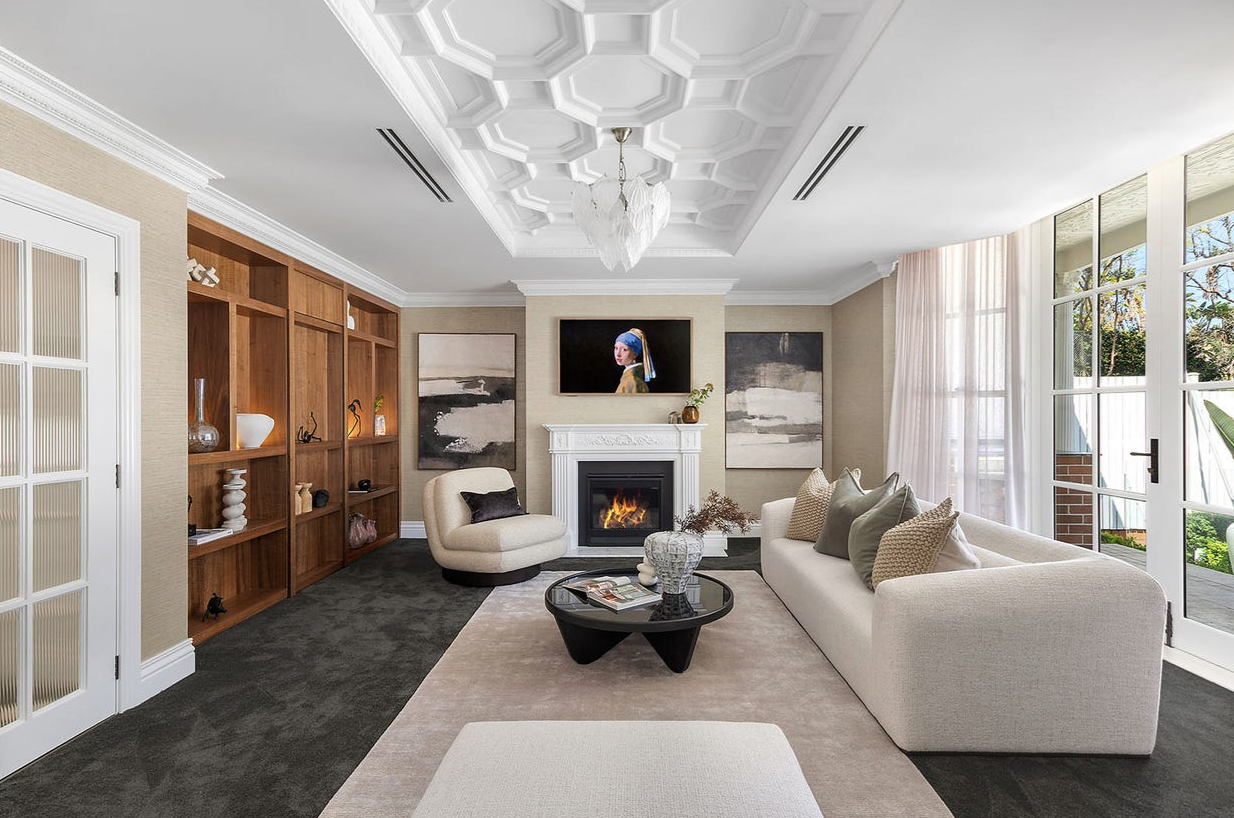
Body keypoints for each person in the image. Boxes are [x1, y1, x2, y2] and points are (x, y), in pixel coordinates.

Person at [614, 328, 655, 394]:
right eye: (616, 348)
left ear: (635, 353)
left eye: (624, 349)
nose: (618, 354)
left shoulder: (631, 381)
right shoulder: (632, 378)